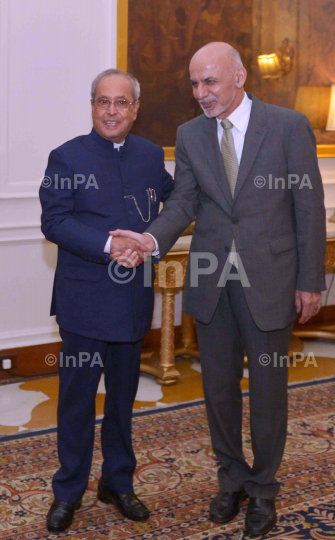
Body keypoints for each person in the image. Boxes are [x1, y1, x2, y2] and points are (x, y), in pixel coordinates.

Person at [111, 42, 326, 536]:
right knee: (218, 390)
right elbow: (183, 201)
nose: (201, 93)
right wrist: (148, 239)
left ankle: (264, 492)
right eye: (194, 83)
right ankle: (231, 479)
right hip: (212, 282)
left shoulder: (288, 126)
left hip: (271, 282)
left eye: (210, 81)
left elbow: (308, 208)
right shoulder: (190, 135)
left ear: (239, 76)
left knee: (269, 392)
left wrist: (311, 282)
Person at [39, 68, 173, 533]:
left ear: (135, 108)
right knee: (76, 404)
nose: (111, 111)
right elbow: (54, 221)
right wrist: (109, 246)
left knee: (122, 401)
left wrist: (149, 240)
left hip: (132, 302)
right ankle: (68, 491)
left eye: (121, 103)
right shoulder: (66, 157)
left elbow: (173, 207)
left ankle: (117, 483)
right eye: (103, 102)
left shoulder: (152, 155)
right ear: (92, 106)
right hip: (83, 302)